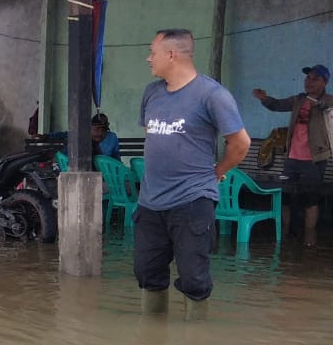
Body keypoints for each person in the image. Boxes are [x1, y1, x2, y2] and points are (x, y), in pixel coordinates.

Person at [135, 29, 250, 318]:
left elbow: (240, 143)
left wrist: (217, 172)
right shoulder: (151, 92)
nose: (149, 59)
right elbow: (152, 135)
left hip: (192, 201)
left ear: (171, 55)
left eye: (153, 52)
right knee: (147, 273)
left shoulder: (212, 95)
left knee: (194, 279)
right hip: (150, 201)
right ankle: (152, 344)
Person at [252, 64, 332, 246]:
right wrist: (265, 99)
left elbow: (327, 105)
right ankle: (284, 236)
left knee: (310, 200)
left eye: (314, 79)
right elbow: (278, 105)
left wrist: (318, 103)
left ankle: (309, 241)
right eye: (307, 78)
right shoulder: (299, 99)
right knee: (286, 198)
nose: (309, 82)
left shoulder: (328, 100)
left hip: (314, 159)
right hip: (292, 158)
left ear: (324, 82)